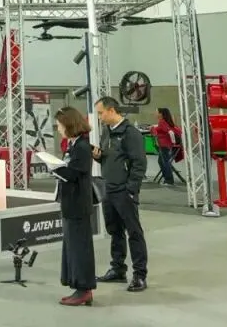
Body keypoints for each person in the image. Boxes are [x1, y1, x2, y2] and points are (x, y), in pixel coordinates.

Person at [92, 96, 148, 292]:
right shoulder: (107, 132)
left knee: (134, 232)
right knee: (114, 231)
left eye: (101, 113)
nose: (99, 117)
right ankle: (118, 269)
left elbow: (139, 163)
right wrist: (99, 157)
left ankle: (139, 275)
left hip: (124, 191)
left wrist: (131, 189)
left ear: (111, 110)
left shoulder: (131, 133)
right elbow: (109, 159)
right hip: (108, 189)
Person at [52, 106, 97, 307]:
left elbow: (74, 173)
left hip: (78, 205)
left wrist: (55, 168)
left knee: (80, 249)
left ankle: (84, 289)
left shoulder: (82, 147)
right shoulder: (73, 145)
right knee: (73, 247)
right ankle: (78, 287)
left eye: (59, 125)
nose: (58, 129)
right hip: (71, 203)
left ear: (69, 124)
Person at [151, 107, 181, 186]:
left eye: (156, 112)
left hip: (164, 145)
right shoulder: (164, 122)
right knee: (161, 161)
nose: (155, 114)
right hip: (166, 144)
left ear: (161, 114)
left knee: (165, 162)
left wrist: (153, 129)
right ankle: (166, 179)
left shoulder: (162, 122)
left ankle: (169, 180)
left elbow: (168, 131)